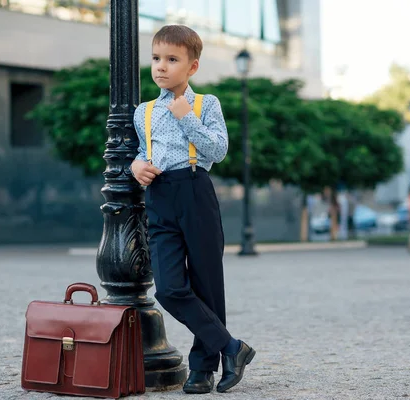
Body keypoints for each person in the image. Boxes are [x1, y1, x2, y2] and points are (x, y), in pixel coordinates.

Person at [130, 25, 255, 394]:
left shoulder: (207, 104)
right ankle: (232, 347)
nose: (161, 67)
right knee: (168, 288)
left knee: (207, 285)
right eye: (156, 59)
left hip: (196, 191)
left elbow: (217, 151)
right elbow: (143, 151)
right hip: (160, 198)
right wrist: (135, 166)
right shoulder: (143, 111)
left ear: (192, 67)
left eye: (172, 59)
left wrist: (186, 115)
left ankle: (202, 369)